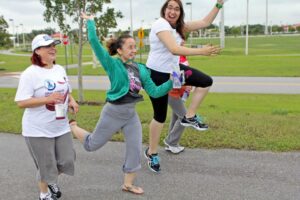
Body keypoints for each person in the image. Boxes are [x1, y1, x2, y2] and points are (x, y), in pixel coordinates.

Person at [69, 13, 174, 195]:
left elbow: (155, 91)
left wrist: (172, 82)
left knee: (135, 148)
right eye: (130, 47)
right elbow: (94, 41)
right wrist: (90, 21)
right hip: (113, 113)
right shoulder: (112, 64)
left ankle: (128, 184)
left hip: (130, 115)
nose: (134, 50)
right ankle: (73, 127)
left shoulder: (141, 69)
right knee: (92, 145)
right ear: (120, 50)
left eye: (135, 47)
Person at [145, 0, 224, 173]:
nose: (172, 11)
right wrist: (201, 51)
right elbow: (173, 49)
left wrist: (218, 4)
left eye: (176, 9)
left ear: (180, 12)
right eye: (169, 8)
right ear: (164, 10)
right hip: (157, 74)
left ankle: (189, 116)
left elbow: (205, 22)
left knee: (205, 81)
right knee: (159, 116)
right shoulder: (160, 24)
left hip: (174, 71)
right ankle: (151, 152)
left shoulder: (180, 27)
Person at [15, 34, 79, 200]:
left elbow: (67, 90)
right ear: (37, 51)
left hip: (60, 125)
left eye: (53, 45)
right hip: (37, 129)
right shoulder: (30, 74)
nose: (53, 48)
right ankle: (44, 194)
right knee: (46, 165)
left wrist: (71, 101)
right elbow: (21, 102)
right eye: (47, 46)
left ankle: (50, 178)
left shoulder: (60, 69)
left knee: (67, 160)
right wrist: (47, 99)